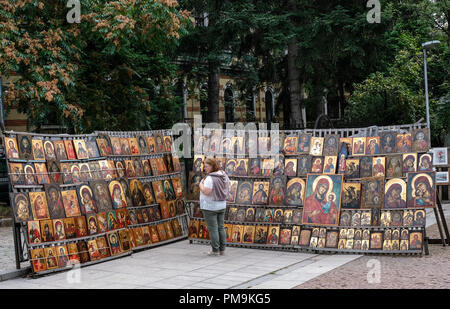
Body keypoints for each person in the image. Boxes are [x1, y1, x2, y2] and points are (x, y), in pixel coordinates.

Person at [199, 158, 229, 256]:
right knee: (221, 227)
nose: (204, 168)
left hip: (210, 206)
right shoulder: (224, 175)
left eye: (206, 166)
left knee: (213, 229)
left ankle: (215, 250)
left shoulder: (210, 178)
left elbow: (206, 192)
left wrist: (200, 185)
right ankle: (222, 250)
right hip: (222, 205)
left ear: (212, 166)